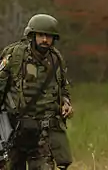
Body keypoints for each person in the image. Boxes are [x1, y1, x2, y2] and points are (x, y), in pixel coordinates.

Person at [0, 14, 73, 170]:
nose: (45, 40)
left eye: (49, 36)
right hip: (15, 131)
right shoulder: (15, 56)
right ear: (32, 35)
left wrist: (66, 102)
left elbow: (63, 87)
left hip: (43, 134)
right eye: (41, 35)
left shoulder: (56, 59)